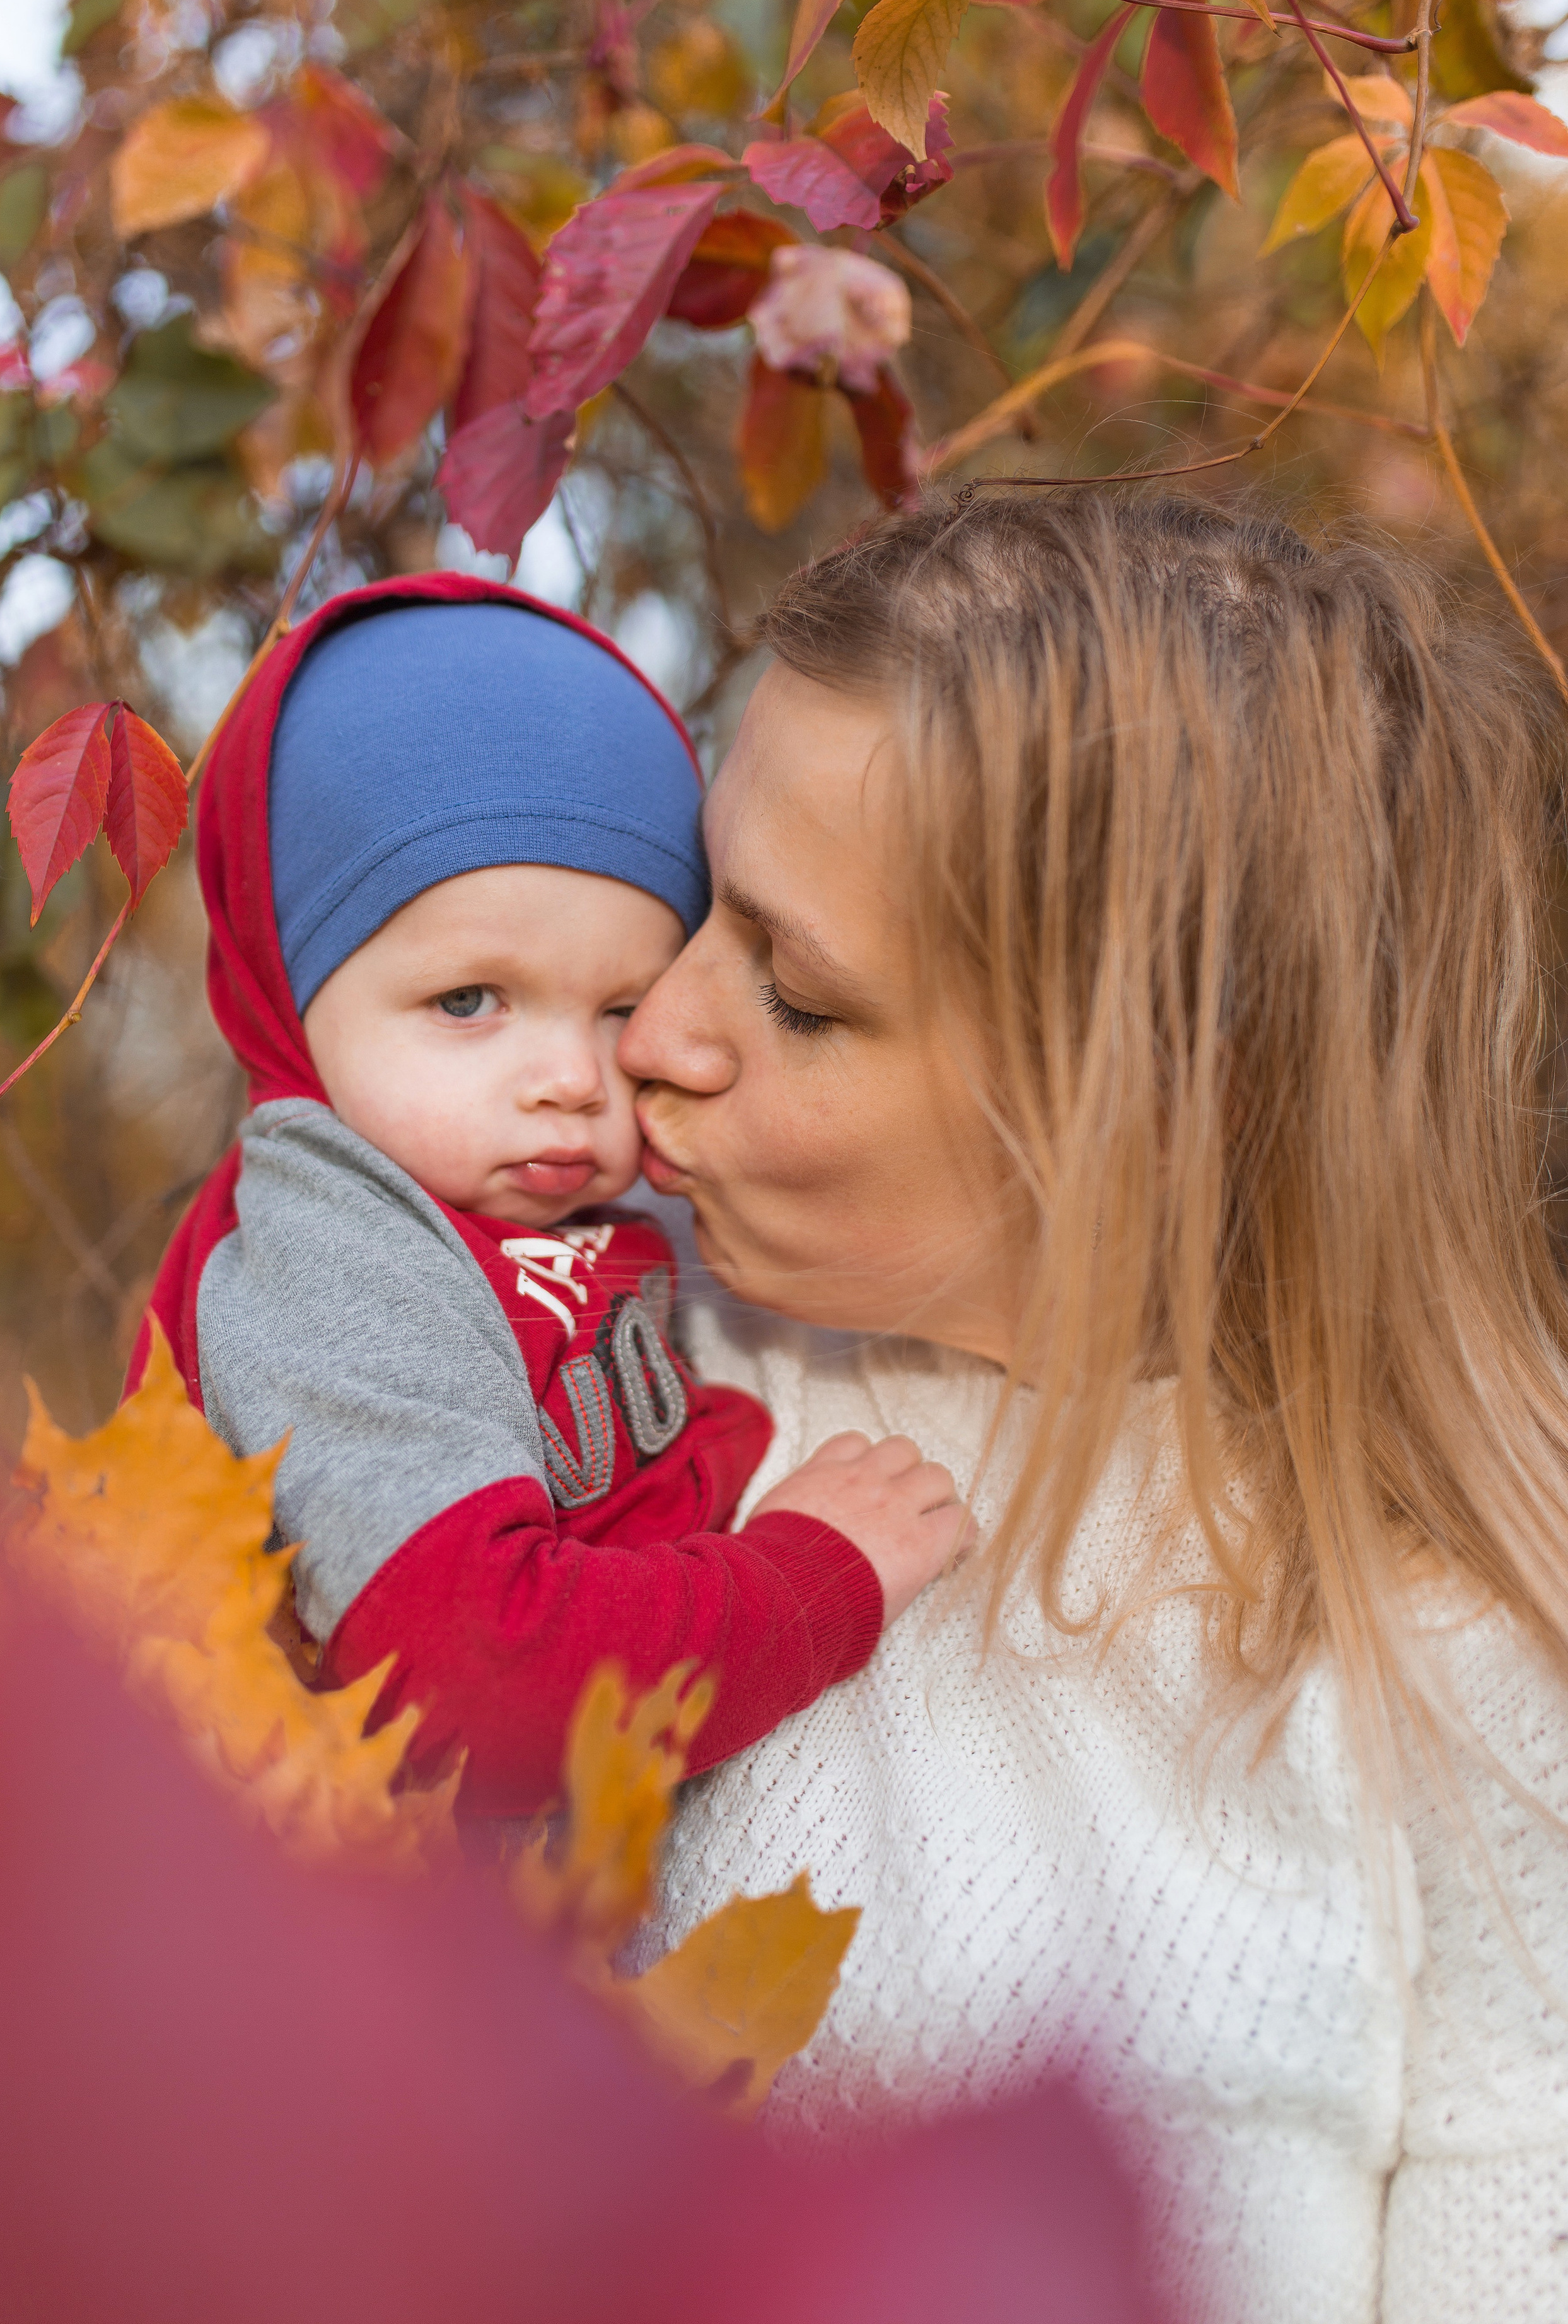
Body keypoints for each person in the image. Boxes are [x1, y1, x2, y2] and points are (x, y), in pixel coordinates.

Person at [620, 490, 1568, 2324]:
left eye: (797, 994)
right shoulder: (600, 1392)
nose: (658, 1025)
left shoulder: (1460, 1666)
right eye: (698, 902)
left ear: (1134, 1120)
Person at [127, 574, 970, 1818]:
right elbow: (477, 1676)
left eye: (623, 1006)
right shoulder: (332, 1256)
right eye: (469, 1002)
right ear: (288, 996)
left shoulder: (542, 1197)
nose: (572, 1080)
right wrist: (803, 1579)